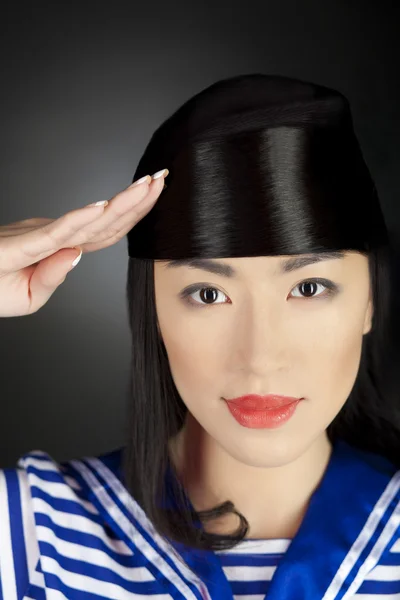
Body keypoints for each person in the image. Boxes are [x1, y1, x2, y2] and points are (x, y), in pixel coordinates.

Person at [1, 73, 399, 600]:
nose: (260, 358)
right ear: (154, 310)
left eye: (308, 286)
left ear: (368, 299)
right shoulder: (29, 534)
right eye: (208, 295)